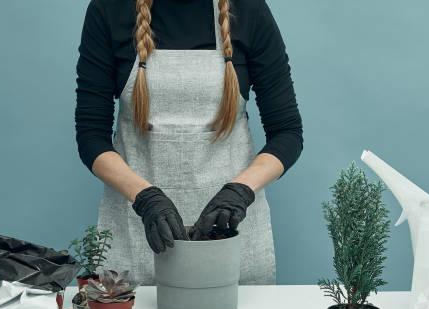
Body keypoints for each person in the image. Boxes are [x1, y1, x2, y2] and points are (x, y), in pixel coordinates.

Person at [75, 0, 303, 285]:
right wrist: (145, 198)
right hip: (136, 242)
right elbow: (90, 136)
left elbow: (287, 132)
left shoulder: (248, 10)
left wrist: (240, 191)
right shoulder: (110, 10)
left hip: (230, 240)